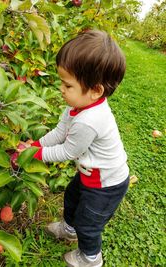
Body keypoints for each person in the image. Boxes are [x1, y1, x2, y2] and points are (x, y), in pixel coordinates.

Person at [19, 30, 129, 267]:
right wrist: (36, 144)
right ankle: (69, 229)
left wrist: (32, 154)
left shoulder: (89, 120)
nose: (61, 89)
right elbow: (59, 133)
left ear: (95, 90)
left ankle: (90, 258)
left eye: (67, 84)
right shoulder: (76, 107)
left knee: (89, 224)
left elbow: (68, 152)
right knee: (72, 198)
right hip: (90, 174)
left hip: (107, 184)